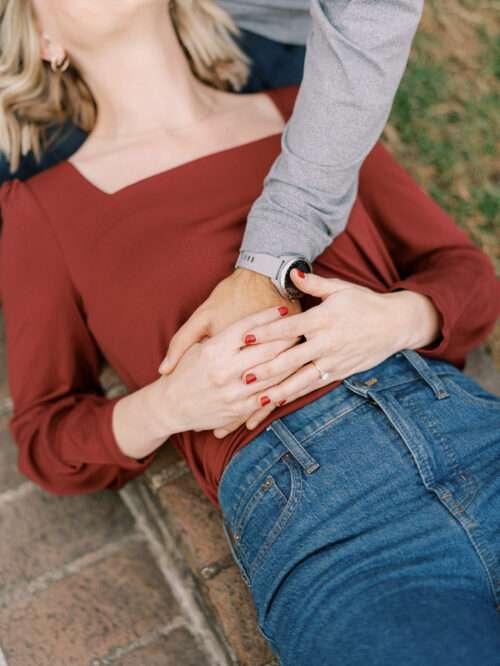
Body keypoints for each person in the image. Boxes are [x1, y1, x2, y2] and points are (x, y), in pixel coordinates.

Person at [1, 2, 499, 663]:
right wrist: (168, 404)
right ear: (41, 37)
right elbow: (46, 435)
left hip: (463, 427)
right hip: (322, 526)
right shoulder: (40, 209)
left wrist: (397, 319)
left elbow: (465, 275)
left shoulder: (313, 112)